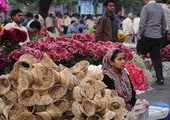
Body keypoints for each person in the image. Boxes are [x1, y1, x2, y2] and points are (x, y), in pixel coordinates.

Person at [102, 48, 149, 120]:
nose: (123, 62)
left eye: (124, 59)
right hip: (114, 109)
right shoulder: (106, 76)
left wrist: (129, 103)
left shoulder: (124, 73)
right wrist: (122, 106)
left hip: (128, 105)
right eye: (119, 59)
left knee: (145, 103)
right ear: (111, 62)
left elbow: (132, 92)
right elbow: (109, 98)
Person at [137, 0, 167, 86]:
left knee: (139, 57)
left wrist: (140, 34)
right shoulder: (160, 8)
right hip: (157, 37)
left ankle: (138, 77)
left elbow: (142, 23)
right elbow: (164, 23)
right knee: (157, 58)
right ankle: (160, 79)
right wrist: (161, 33)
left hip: (147, 36)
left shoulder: (146, 8)